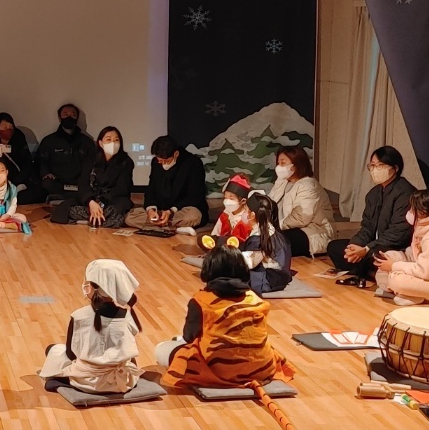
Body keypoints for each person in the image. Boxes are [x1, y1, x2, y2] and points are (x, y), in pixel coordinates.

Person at [155, 242, 292, 389]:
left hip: (218, 371)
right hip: (261, 369)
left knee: (161, 349)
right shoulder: (256, 298)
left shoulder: (201, 301)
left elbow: (190, 337)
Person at [38, 259, 143, 394]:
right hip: (122, 381)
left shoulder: (78, 316)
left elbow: (71, 354)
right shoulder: (128, 317)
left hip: (87, 382)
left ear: (92, 287)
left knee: (53, 349)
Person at [325, 146, 416, 284]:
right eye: (372, 166)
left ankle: (368, 270)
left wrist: (367, 249)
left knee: (377, 257)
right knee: (335, 247)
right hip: (373, 246)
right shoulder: (373, 194)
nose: (375, 170)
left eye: (380, 165)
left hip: (394, 248)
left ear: (395, 168)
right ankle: (369, 271)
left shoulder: (406, 193)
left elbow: (398, 234)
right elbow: (367, 228)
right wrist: (355, 246)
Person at [50, 126, 133, 227]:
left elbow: (122, 187)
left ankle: (92, 218)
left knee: (117, 209)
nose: (113, 143)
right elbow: (83, 183)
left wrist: (101, 203)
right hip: (92, 197)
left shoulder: (126, 162)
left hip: (112, 199)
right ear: (101, 143)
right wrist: (91, 202)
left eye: (116, 140)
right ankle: (96, 217)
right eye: (108, 139)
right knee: (65, 208)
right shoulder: (91, 159)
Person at [126, 136, 208, 231]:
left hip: (181, 210)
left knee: (193, 216)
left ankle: (160, 225)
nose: (163, 164)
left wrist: (171, 211)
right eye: (160, 161)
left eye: (167, 161)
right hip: (162, 211)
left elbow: (195, 196)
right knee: (130, 217)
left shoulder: (193, 163)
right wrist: (151, 209)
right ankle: (174, 227)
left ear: (176, 154)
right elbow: (151, 190)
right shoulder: (156, 163)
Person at [267, 147, 334, 257]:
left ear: (296, 164)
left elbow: (301, 218)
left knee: (275, 242)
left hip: (312, 233)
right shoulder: (282, 182)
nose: (279, 167)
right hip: (286, 229)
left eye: (283, 163)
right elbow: (270, 204)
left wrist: (276, 225)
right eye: (278, 163)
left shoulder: (308, 185)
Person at [0, 112, 44, 203]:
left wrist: (15, 182)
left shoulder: (19, 141)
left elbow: (27, 165)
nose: (8, 129)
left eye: (11, 127)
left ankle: (11, 197)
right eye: (4, 127)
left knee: (38, 191)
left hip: (17, 182)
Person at [36, 103, 96, 204]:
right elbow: (41, 161)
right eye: (66, 114)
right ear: (59, 118)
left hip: (80, 183)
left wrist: (84, 181)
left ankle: (62, 199)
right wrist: (46, 173)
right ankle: (72, 198)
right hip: (58, 183)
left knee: (90, 187)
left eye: (73, 115)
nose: (69, 117)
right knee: (46, 184)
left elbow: (90, 164)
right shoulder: (49, 141)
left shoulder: (87, 142)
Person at [238, 191, 292, 294]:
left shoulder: (259, 238)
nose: (243, 213)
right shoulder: (269, 229)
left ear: (252, 215)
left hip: (269, 278)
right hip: (279, 274)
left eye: (245, 210)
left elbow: (249, 263)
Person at [211, 175, 253, 242]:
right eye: (225, 197)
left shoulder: (248, 219)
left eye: (231, 198)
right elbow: (216, 231)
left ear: (243, 201)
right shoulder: (226, 213)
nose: (227, 201)